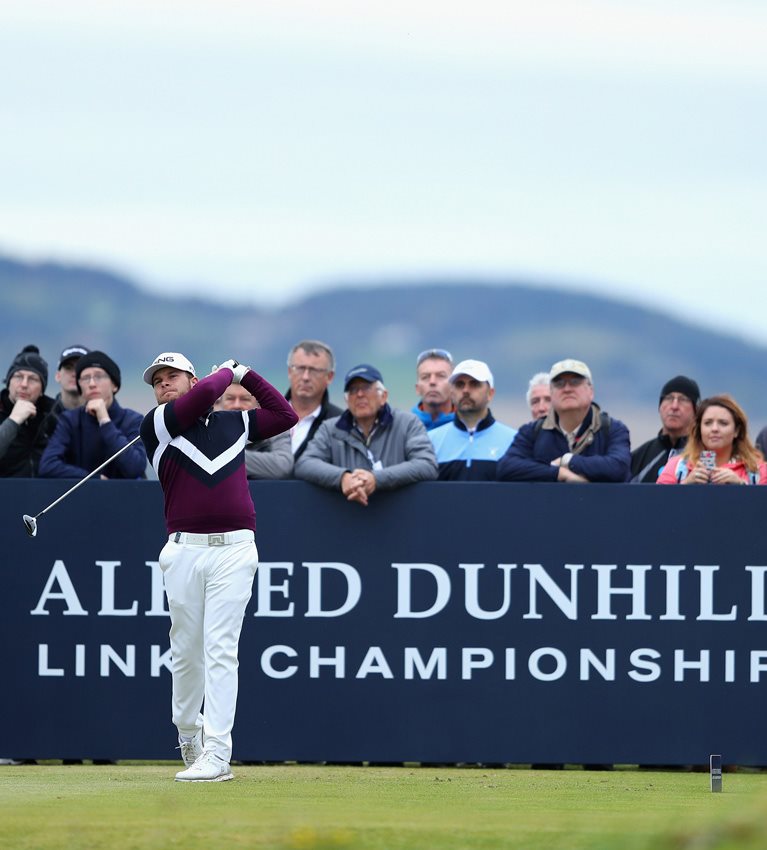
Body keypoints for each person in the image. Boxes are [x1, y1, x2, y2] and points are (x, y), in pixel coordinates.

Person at [140, 351, 297, 782]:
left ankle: (217, 752)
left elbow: (286, 416)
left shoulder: (236, 423)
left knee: (221, 649)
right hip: (184, 550)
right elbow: (200, 399)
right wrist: (227, 373)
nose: (164, 385)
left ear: (191, 379)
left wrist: (245, 373)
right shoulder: (157, 425)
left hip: (235, 548)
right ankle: (187, 730)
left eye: (173, 377)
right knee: (187, 652)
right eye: (158, 381)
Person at [294, 363, 438, 505]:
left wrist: (377, 479)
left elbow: (427, 464)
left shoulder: (407, 423)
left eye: (367, 388)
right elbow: (305, 463)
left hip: (399, 515)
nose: (360, 394)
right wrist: (343, 478)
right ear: (347, 400)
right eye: (353, 390)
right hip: (345, 517)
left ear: (383, 396)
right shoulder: (330, 429)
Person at [497, 358, 631, 483]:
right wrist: (558, 473)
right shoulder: (532, 431)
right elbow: (506, 467)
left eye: (575, 382)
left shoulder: (613, 429)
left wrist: (568, 460)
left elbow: (618, 467)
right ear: (552, 393)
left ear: (590, 391)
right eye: (559, 384)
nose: (567, 389)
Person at [39, 351, 146, 480]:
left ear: (114, 385)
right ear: (80, 389)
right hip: (81, 497)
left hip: (123, 497)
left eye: (99, 376)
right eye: (85, 378)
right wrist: (93, 479)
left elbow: (135, 468)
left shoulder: (133, 420)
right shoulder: (69, 420)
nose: (91, 384)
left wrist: (105, 421)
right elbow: (47, 466)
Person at [429, 359, 517, 480]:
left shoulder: (514, 441)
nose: (465, 390)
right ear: (451, 393)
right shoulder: (431, 441)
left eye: (474, 384)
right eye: (459, 384)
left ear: (490, 393)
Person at [657, 394, 767, 485]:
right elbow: (656, 506)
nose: (714, 429)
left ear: (736, 431)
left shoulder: (758, 471)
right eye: (708, 423)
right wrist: (686, 486)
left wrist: (742, 487)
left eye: (723, 423)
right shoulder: (676, 467)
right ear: (699, 429)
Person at [0, 344, 59, 477]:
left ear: (41, 390)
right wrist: (13, 421)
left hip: (47, 495)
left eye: (33, 379)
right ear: (8, 382)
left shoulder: (53, 416)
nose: (24, 384)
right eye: (18, 377)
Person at [630, 376, 700, 483]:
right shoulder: (639, 456)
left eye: (683, 399)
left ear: (696, 411)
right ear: (659, 407)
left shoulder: (703, 455)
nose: (674, 406)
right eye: (668, 398)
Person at [215, 383, 293, 478]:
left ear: (258, 405)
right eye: (230, 399)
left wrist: (220, 458)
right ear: (219, 404)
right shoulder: (205, 429)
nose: (237, 405)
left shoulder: (275, 429)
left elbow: (282, 466)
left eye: (245, 399)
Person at [285, 340, 343, 461]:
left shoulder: (340, 423)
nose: (305, 377)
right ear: (289, 372)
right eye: (300, 368)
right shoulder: (267, 415)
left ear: (330, 377)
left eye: (314, 370)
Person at [412, 348, 456, 431]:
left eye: (441, 376)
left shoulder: (468, 427)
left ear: (453, 386)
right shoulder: (404, 427)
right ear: (417, 388)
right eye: (425, 377)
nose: (432, 382)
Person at [51, 345, 89, 415]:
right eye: (68, 368)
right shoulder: (43, 415)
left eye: (81, 368)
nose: (74, 374)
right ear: (58, 376)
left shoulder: (103, 415)